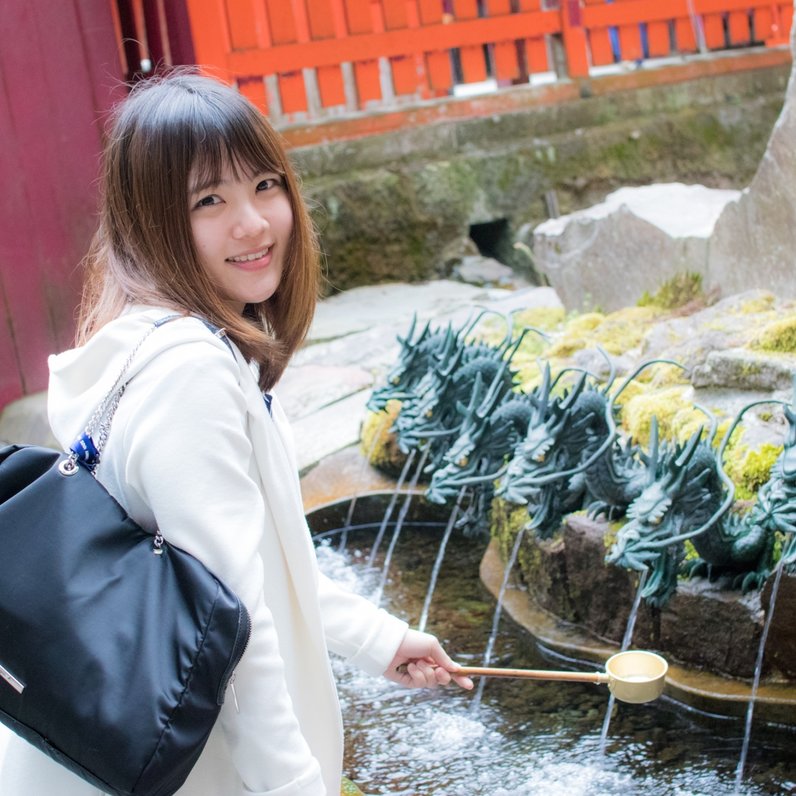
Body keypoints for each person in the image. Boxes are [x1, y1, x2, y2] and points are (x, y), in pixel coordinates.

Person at [0, 71, 473, 796]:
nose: (253, 222)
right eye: (209, 200)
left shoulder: (149, 341)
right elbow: (236, 637)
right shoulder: (191, 372)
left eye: (264, 184)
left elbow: (236, 570)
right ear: (151, 223)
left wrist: (377, 640)